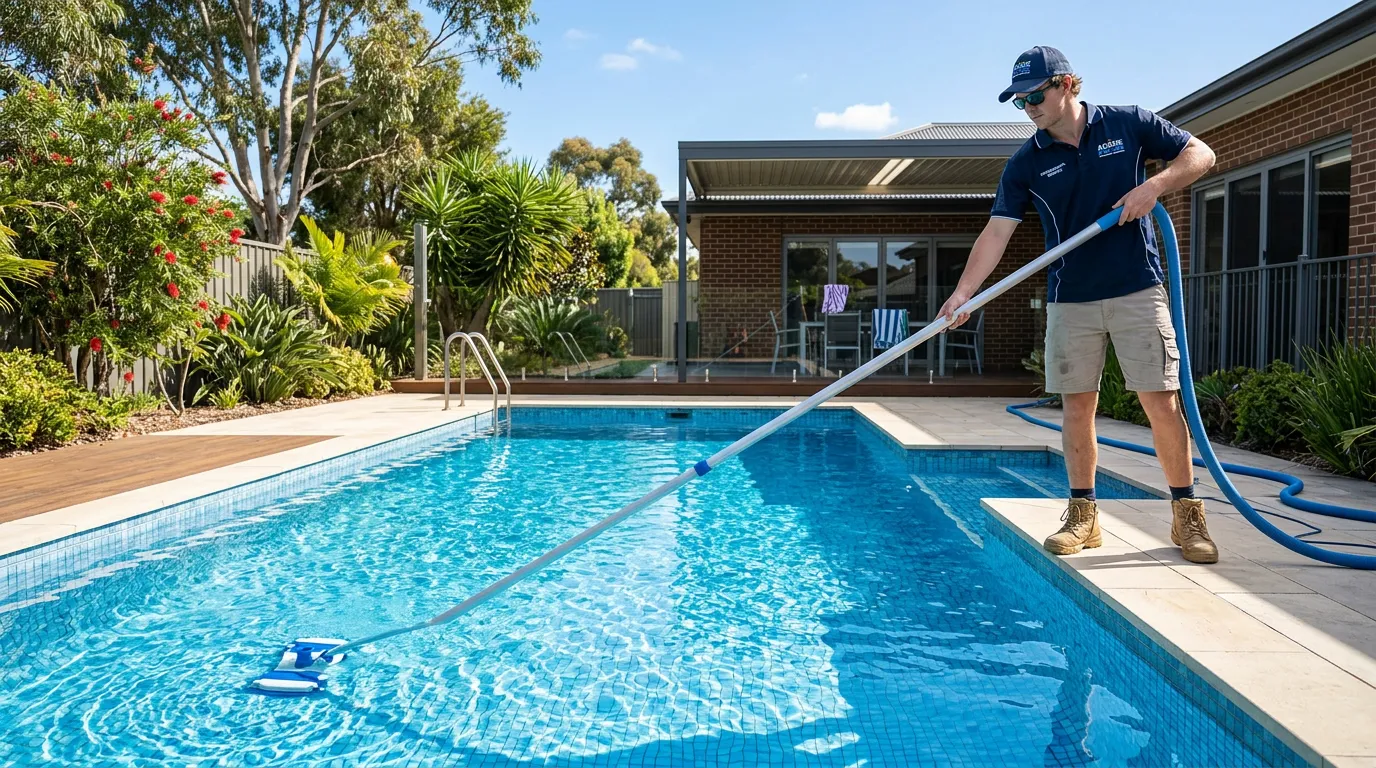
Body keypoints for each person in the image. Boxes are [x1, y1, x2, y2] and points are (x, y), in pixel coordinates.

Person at [937, 46, 1220, 564]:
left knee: (1160, 401)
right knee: (1077, 406)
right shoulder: (1027, 161)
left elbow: (1201, 155)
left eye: (1035, 95)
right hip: (1071, 298)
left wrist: (1152, 187)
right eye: (1019, 102)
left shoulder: (1128, 124)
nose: (1029, 108)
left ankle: (1186, 514)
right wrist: (963, 294)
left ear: (1067, 84)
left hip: (1138, 286)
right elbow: (998, 230)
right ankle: (1083, 515)